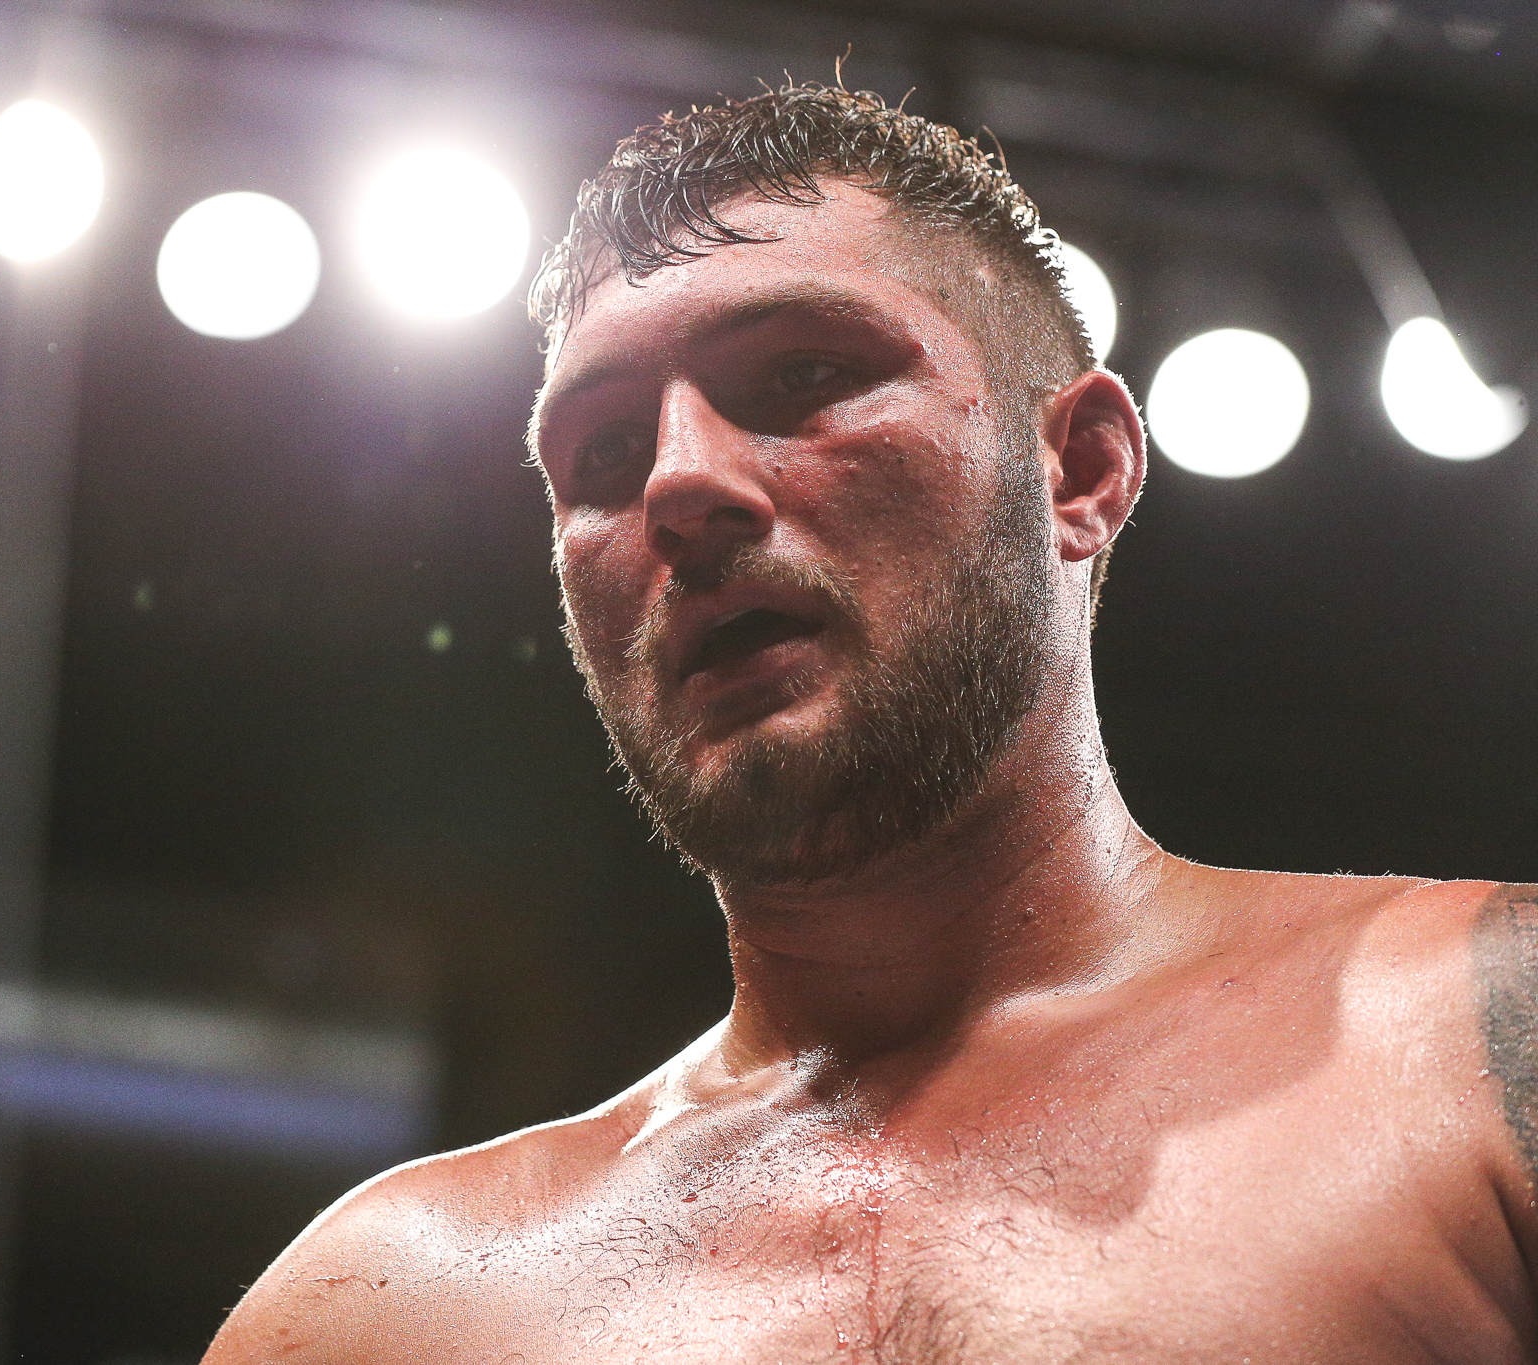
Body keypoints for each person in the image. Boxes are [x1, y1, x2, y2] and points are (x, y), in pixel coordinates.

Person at [203, 84, 1537, 1363]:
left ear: (1079, 471)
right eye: (602, 453)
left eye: (803, 371)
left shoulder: (1480, 1037)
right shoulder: (392, 1312)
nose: (680, 484)